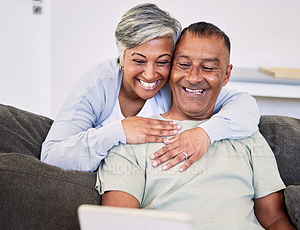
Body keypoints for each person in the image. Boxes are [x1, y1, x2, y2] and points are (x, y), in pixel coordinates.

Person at [62, 22, 300, 230]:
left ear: (226, 75)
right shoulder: (134, 137)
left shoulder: (247, 134)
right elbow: (119, 219)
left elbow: (274, 218)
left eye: (208, 67)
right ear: (170, 69)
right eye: (184, 64)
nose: (193, 77)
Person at [41, 3, 260, 172]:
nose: (150, 74)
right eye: (138, 60)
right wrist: (120, 130)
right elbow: (51, 156)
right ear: (121, 57)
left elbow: (244, 106)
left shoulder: (177, 86)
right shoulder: (97, 86)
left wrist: (206, 133)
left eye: (163, 61)